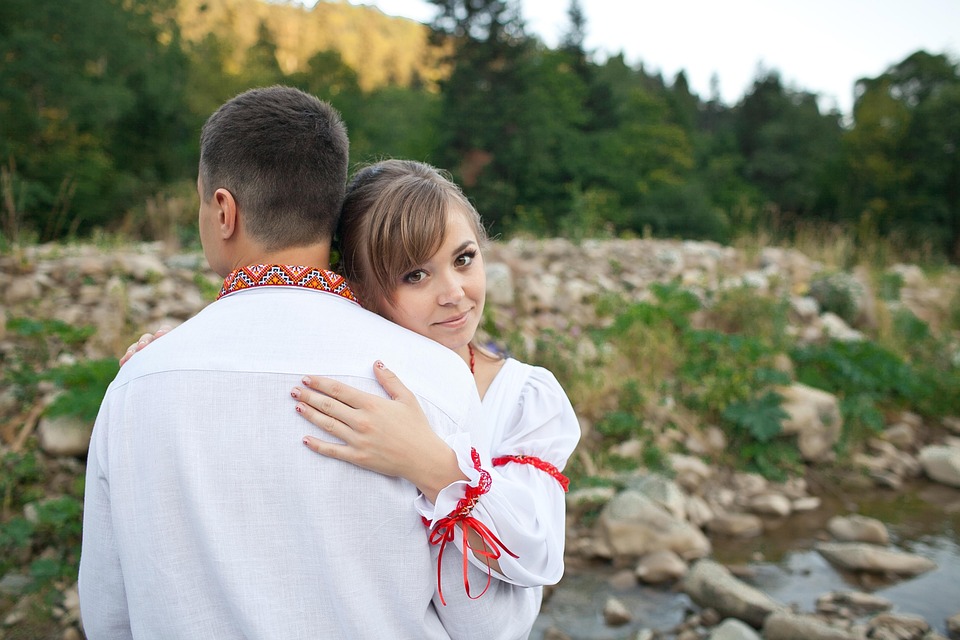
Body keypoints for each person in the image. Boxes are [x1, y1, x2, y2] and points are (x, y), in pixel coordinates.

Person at [80, 86, 538, 640]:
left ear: (223, 211)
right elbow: (484, 621)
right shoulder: (430, 381)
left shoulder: (138, 383)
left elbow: (109, 615)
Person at [289, 159, 581, 608]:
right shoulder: (338, 384)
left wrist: (426, 462)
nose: (454, 293)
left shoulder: (522, 396)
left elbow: (537, 557)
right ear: (358, 287)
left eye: (464, 259)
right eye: (416, 275)